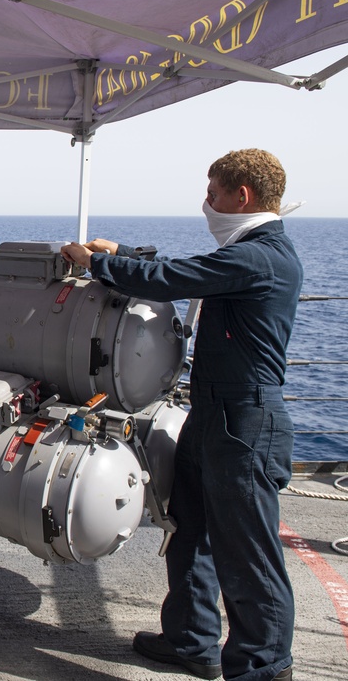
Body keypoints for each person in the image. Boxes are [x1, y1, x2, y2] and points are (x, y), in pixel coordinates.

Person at [61, 149, 302, 681]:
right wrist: (123, 253)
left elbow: (176, 278)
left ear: (243, 196)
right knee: (188, 525)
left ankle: (264, 668)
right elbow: (187, 272)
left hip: (244, 422)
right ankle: (191, 640)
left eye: (213, 193)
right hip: (213, 414)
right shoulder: (250, 253)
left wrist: (98, 262)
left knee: (248, 555)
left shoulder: (262, 256)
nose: (206, 204)